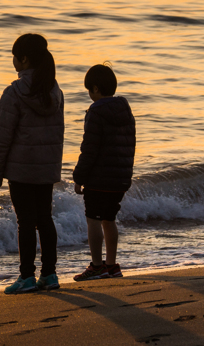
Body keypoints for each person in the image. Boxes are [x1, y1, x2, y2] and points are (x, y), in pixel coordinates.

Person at [0, 33, 65, 294]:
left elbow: (1, 138)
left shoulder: (14, 93)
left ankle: (26, 276)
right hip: (46, 169)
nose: (12, 62)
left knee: (25, 222)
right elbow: (58, 134)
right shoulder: (55, 92)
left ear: (24, 59)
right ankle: (50, 274)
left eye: (14, 57)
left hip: (21, 169)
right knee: (44, 218)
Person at [72, 63, 136, 281]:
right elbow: (130, 144)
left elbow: (89, 149)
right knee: (109, 220)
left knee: (93, 219)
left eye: (89, 90)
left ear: (96, 89)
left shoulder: (96, 112)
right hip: (119, 178)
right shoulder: (125, 110)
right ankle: (112, 265)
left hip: (99, 179)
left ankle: (97, 266)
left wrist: (78, 177)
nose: (89, 95)